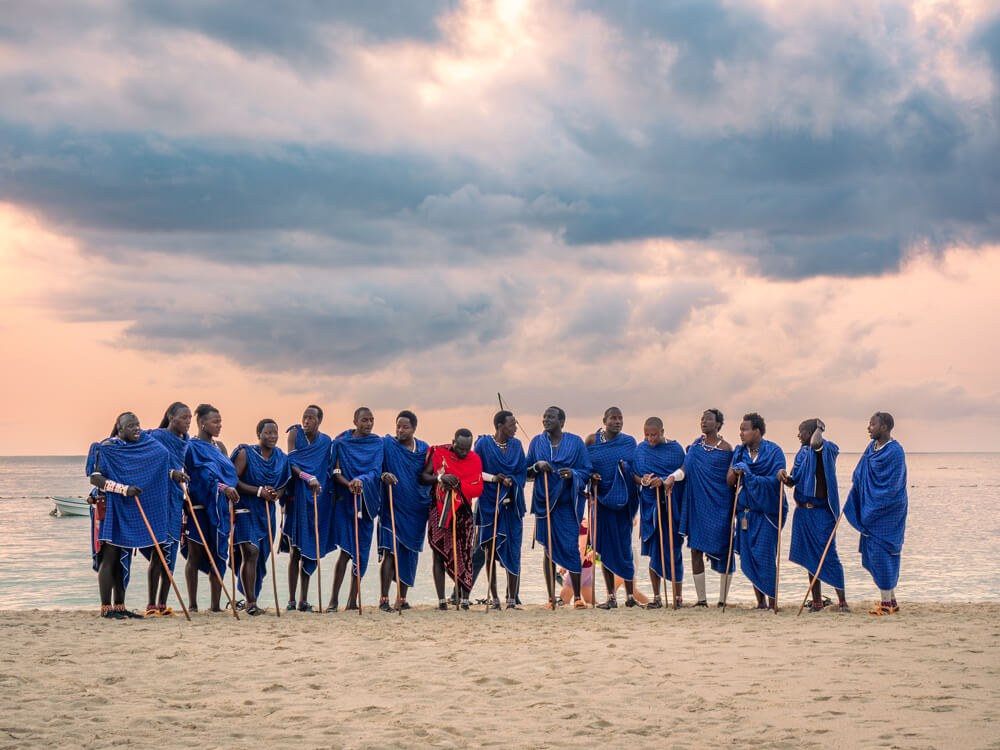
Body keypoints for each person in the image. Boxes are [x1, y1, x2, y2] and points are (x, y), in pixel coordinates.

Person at [87, 412, 178, 619]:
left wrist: (172, 473)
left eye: (138, 425)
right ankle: (106, 609)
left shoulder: (146, 446)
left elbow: (159, 460)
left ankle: (120, 606)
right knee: (109, 558)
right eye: (131, 426)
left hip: (131, 509)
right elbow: (95, 478)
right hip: (111, 507)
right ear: (120, 429)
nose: (136, 429)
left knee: (122, 558)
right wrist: (123, 489)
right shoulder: (108, 448)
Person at [778, 418, 848, 612]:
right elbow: (793, 481)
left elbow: (817, 443)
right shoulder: (802, 453)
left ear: (811, 433)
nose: (798, 435)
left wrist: (820, 427)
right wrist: (783, 476)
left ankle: (842, 602)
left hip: (821, 512)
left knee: (829, 556)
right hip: (802, 512)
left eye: (802, 432)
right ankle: (817, 602)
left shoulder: (824, 450)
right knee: (810, 558)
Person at [526, 406, 592, 610]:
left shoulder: (576, 442)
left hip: (568, 505)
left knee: (572, 548)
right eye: (544, 416)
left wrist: (573, 474)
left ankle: (578, 597)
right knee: (548, 550)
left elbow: (587, 470)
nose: (546, 419)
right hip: (545, 504)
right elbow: (526, 473)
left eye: (551, 417)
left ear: (562, 422)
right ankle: (550, 597)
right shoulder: (537, 442)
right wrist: (538, 467)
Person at [844, 412, 908, 616]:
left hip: (889, 512)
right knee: (875, 555)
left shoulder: (896, 451)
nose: (868, 427)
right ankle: (891, 600)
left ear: (884, 427)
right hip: (870, 510)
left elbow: (893, 486)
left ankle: (886, 604)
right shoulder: (871, 449)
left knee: (884, 555)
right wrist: (857, 492)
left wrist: (874, 507)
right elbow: (860, 473)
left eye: (872, 424)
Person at [183, 404, 240, 613]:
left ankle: (216, 606)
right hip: (199, 506)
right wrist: (222, 487)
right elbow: (197, 478)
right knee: (195, 554)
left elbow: (229, 474)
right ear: (201, 423)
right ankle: (193, 604)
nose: (219, 426)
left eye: (220, 422)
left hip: (221, 508)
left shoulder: (220, 447)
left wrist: (226, 487)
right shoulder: (191, 446)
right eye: (215, 422)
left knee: (219, 555)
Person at [230, 419, 290, 615]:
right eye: (268, 433)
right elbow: (234, 481)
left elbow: (284, 483)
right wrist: (258, 491)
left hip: (266, 513)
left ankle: (251, 598)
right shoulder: (245, 453)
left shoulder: (281, 457)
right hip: (245, 509)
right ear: (259, 434)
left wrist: (275, 495)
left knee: (261, 557)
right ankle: (250, 604)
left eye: (275, 433)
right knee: (251, 552)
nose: (272, 437)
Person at [727, 413, 787, 610]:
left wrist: (751, 476)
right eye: (740, 430)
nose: (741, 433)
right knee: (749, 558)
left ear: (757, 431)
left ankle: (772, 601)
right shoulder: (739, 453)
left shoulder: (774, 451)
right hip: (745, 513)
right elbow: (729, 482)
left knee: (766, 558)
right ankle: (760, 603)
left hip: (766, 513)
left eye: (745, 429)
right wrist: (737, 472)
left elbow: (776, 480)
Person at [421, 429, 483, 610]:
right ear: (453, 442)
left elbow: (477, 489)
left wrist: (458, 484)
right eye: (460, 448)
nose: (463, 452)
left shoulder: (474, 460)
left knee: (465, 555)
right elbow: (424, 478)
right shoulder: (439, 453)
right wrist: (441, 477)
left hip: (463, 511)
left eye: (467, 449)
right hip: (439, 509)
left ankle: (464, 599)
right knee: (438, 553)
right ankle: (441, 601)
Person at [678, 409, 735, 607]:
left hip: (720, 506)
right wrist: (670, 479)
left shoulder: (727, 449)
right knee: (695, 550)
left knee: (725, 550)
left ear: (718, 424)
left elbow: (731, 479)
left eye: (709, 419)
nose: (704, 422)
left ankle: (722, 600)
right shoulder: (694, 446)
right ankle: (701, 600)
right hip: (697, 505)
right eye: (702, 419)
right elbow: (685, 469)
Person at [586, 407, 640, 609]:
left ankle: (630, 596)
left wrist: (625, 468)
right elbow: (585, 467)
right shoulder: (592, 441)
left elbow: (636, 468)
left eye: (620, 418)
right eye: (613, 418)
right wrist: (591, 476)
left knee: (625, 549)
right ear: (604, 420)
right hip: (600, 501)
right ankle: (610, 597)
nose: (617, 421)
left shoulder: (629, 442)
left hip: (623, 502)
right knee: (604, 549)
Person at [330, 407, 384, 611]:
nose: (368, 424)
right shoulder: (342, 443)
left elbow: (375, 470)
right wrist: (348, 483)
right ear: (355, 422)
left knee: (360, 554)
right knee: (345, 552)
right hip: (346, 503)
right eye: (364, 420)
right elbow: (335, 471)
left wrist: (360, 480)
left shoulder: (377, 443)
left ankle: (352, 601)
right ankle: (333, 600)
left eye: (371, 420)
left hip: (367, 504)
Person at [377, 410, 432, 611]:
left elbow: (429, 475)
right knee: (390, 551)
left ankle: (402, 598)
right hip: (393, 506)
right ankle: (384, 599)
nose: (400, 430)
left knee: (410, 554)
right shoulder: (387, 445)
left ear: (414, 428)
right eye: (398, 426)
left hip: (417, 508)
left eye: (405, 427)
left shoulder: (424, 449)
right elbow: (376, 467)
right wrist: (384, 475)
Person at [474, 411, 527, 609]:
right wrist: (495, 478)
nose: (515, 427)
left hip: (511, 506)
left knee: (514, 551)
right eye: (512, 424)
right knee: (489, 550)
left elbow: (521, 470)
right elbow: (476, 471)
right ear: (499, 425)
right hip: (489, 504)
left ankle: (511, 599)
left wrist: (512, 480)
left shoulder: (517, 445)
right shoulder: (483, 445)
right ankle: (494, 597)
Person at [283, 405, 334, 612]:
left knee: (310, 552)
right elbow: (291, 463)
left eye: (311, 418)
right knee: (295, 550)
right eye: (304, 417)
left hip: (317, 500)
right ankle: (291, 600)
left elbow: (327, 469)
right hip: (297, 499)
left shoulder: (326, 441)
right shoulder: (295, 433)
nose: (306, 421)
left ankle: (304, 599)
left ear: (319, 421)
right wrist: (307, 477)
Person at [631, 417, 686, 608]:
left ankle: (678, 598)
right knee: (654, 554)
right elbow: (635, 476)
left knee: (673, 551)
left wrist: (664, 480)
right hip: (649, 508)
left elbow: (682, 472)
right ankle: (657, 597)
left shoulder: (676, 449)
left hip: (670, 506)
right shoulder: (641, 449)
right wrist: (644, 480)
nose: (650, 438)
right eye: (646, 434)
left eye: (654, 434)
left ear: (662, 432)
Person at [144, 402, 191, 616]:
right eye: (184, 417)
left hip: (175, 499)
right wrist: (172, 473)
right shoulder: (157, 437)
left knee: (171, 552)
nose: (188, 421)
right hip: (158, 499)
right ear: (171, 417)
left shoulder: (185, 442)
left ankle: (163, 604)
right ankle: (151, 604)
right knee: (158, 553)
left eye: (190, 417)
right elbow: (148, 465)